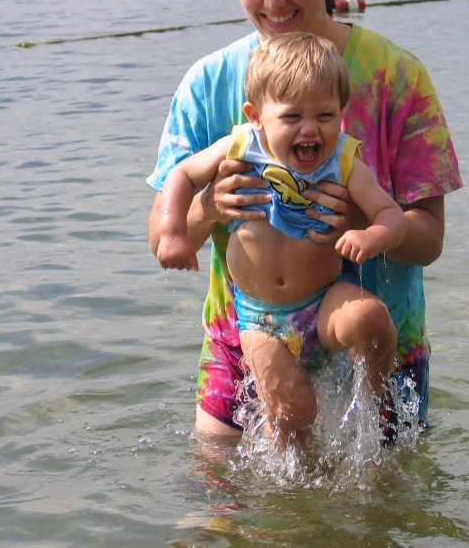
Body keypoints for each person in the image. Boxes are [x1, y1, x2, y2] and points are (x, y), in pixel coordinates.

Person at [147, 0, 462, 440]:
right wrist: (210, 207)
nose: (273, 1)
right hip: (247, 333)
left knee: (381, 489)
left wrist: (362, 223)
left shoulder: (397, 76)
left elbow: (430, 239)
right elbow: (165, 234)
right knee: (221, 485)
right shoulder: (207, 83)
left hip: (378, 342)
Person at [158, 32, 408, 443]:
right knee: (294, 414)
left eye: (325, 115)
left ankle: (367, 410)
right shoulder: (241, 145)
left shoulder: (344, 160)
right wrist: (173, 231)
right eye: (292, 117)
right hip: (260, 318)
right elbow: (181, 174)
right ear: (256, 116)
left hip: (323, 303)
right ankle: (289, 473)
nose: (310, 129)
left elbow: (391, 214)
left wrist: (374, 235)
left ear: (340, 113)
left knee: (370, 317)